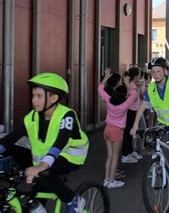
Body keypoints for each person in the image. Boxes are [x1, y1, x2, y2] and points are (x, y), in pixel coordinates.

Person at [0, 73, 88, 213]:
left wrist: (43, 165)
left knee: (45, 173)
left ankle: (73, 199)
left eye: (39, 96)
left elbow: (61, 141)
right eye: (33, 95)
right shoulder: (32, 117)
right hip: (44, 160)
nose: (34, 100)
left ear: (54, 98)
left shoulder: (66, 115)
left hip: (70, 156)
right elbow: (11, 138)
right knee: (33, 203)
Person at [130, 57, 169, 179]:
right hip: (163, 121)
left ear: (165, 71)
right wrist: (134, 125)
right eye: (153, 72)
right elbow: (142, 106)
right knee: (154, 139)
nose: (155, 74)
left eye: (158, 71)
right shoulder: (151, 88)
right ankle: (157, 165)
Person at [98, 68, 137, 188]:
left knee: (109, 156)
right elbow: (134, 94)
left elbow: (100, 88)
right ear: (123, 96)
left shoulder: (109, 100)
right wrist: (126, 82)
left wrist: (106, 77)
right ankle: (112, 180)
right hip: (117, 131)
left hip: (107, 129)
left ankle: (106, 180)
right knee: (115, 157)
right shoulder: (124, 105)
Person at [121, 67, 142, 163]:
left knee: (130, 133)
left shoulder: (133, 84)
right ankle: (125, 155)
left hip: (133, 111)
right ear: (135, 76)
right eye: (139, 74)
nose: (140, 76)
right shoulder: (131, 85)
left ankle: (130, 152)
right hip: (130, 111)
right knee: (127, 133)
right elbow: (133, 98)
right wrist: (138, 88)